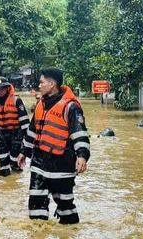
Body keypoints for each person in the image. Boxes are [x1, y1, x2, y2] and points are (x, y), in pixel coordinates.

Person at [18, 68, 90, 224]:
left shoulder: (71, 107)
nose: (39, 86)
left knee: (65, 207)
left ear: (52, 84)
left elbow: (79, 133)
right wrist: (24, 151)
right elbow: (32, 130)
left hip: (62, 164)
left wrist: (82, 156)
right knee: (36, 207)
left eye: (42, 82)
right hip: (39, 163)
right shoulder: (40, 104)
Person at [0, 77, 30, 176]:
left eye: (2, 88)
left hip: (16, 135)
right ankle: (4, 184)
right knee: (3, 164)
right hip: (1, 136)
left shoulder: (16, 100)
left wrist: (26, 144)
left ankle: (15, 184)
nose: (0, 91)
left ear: (7, 88)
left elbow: (25, 123)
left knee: (15, 162)